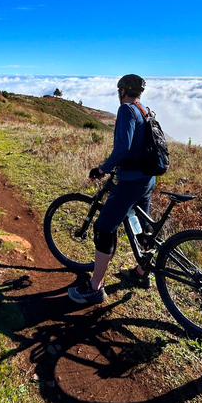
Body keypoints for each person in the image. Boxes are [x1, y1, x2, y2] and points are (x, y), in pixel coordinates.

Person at [68, 74, 156, 305]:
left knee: (104, 228)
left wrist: (103, 168)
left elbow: (123, 148)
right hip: (147, 179)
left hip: (132, 181)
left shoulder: (127, 109)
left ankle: (95, 287)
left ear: (122, 91)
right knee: (142, 228)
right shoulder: (144, 110)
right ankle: (140, 272)